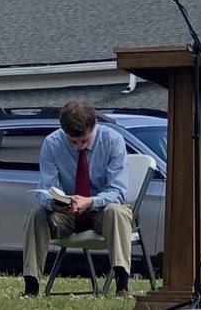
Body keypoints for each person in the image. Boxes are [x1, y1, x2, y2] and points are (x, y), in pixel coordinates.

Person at [21, 100, 132, 297]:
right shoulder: (52, 144)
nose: (79, 146)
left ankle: (122, 285)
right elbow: (46, 188)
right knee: (36, 215)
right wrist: (54, 203)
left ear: (95, 124)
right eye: (72, 142)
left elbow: (118, 191)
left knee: (118, 211)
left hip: (101, 212)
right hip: (67, 214)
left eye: (84, 141)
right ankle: (31, 286)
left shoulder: (113, 141)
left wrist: (90, 201)